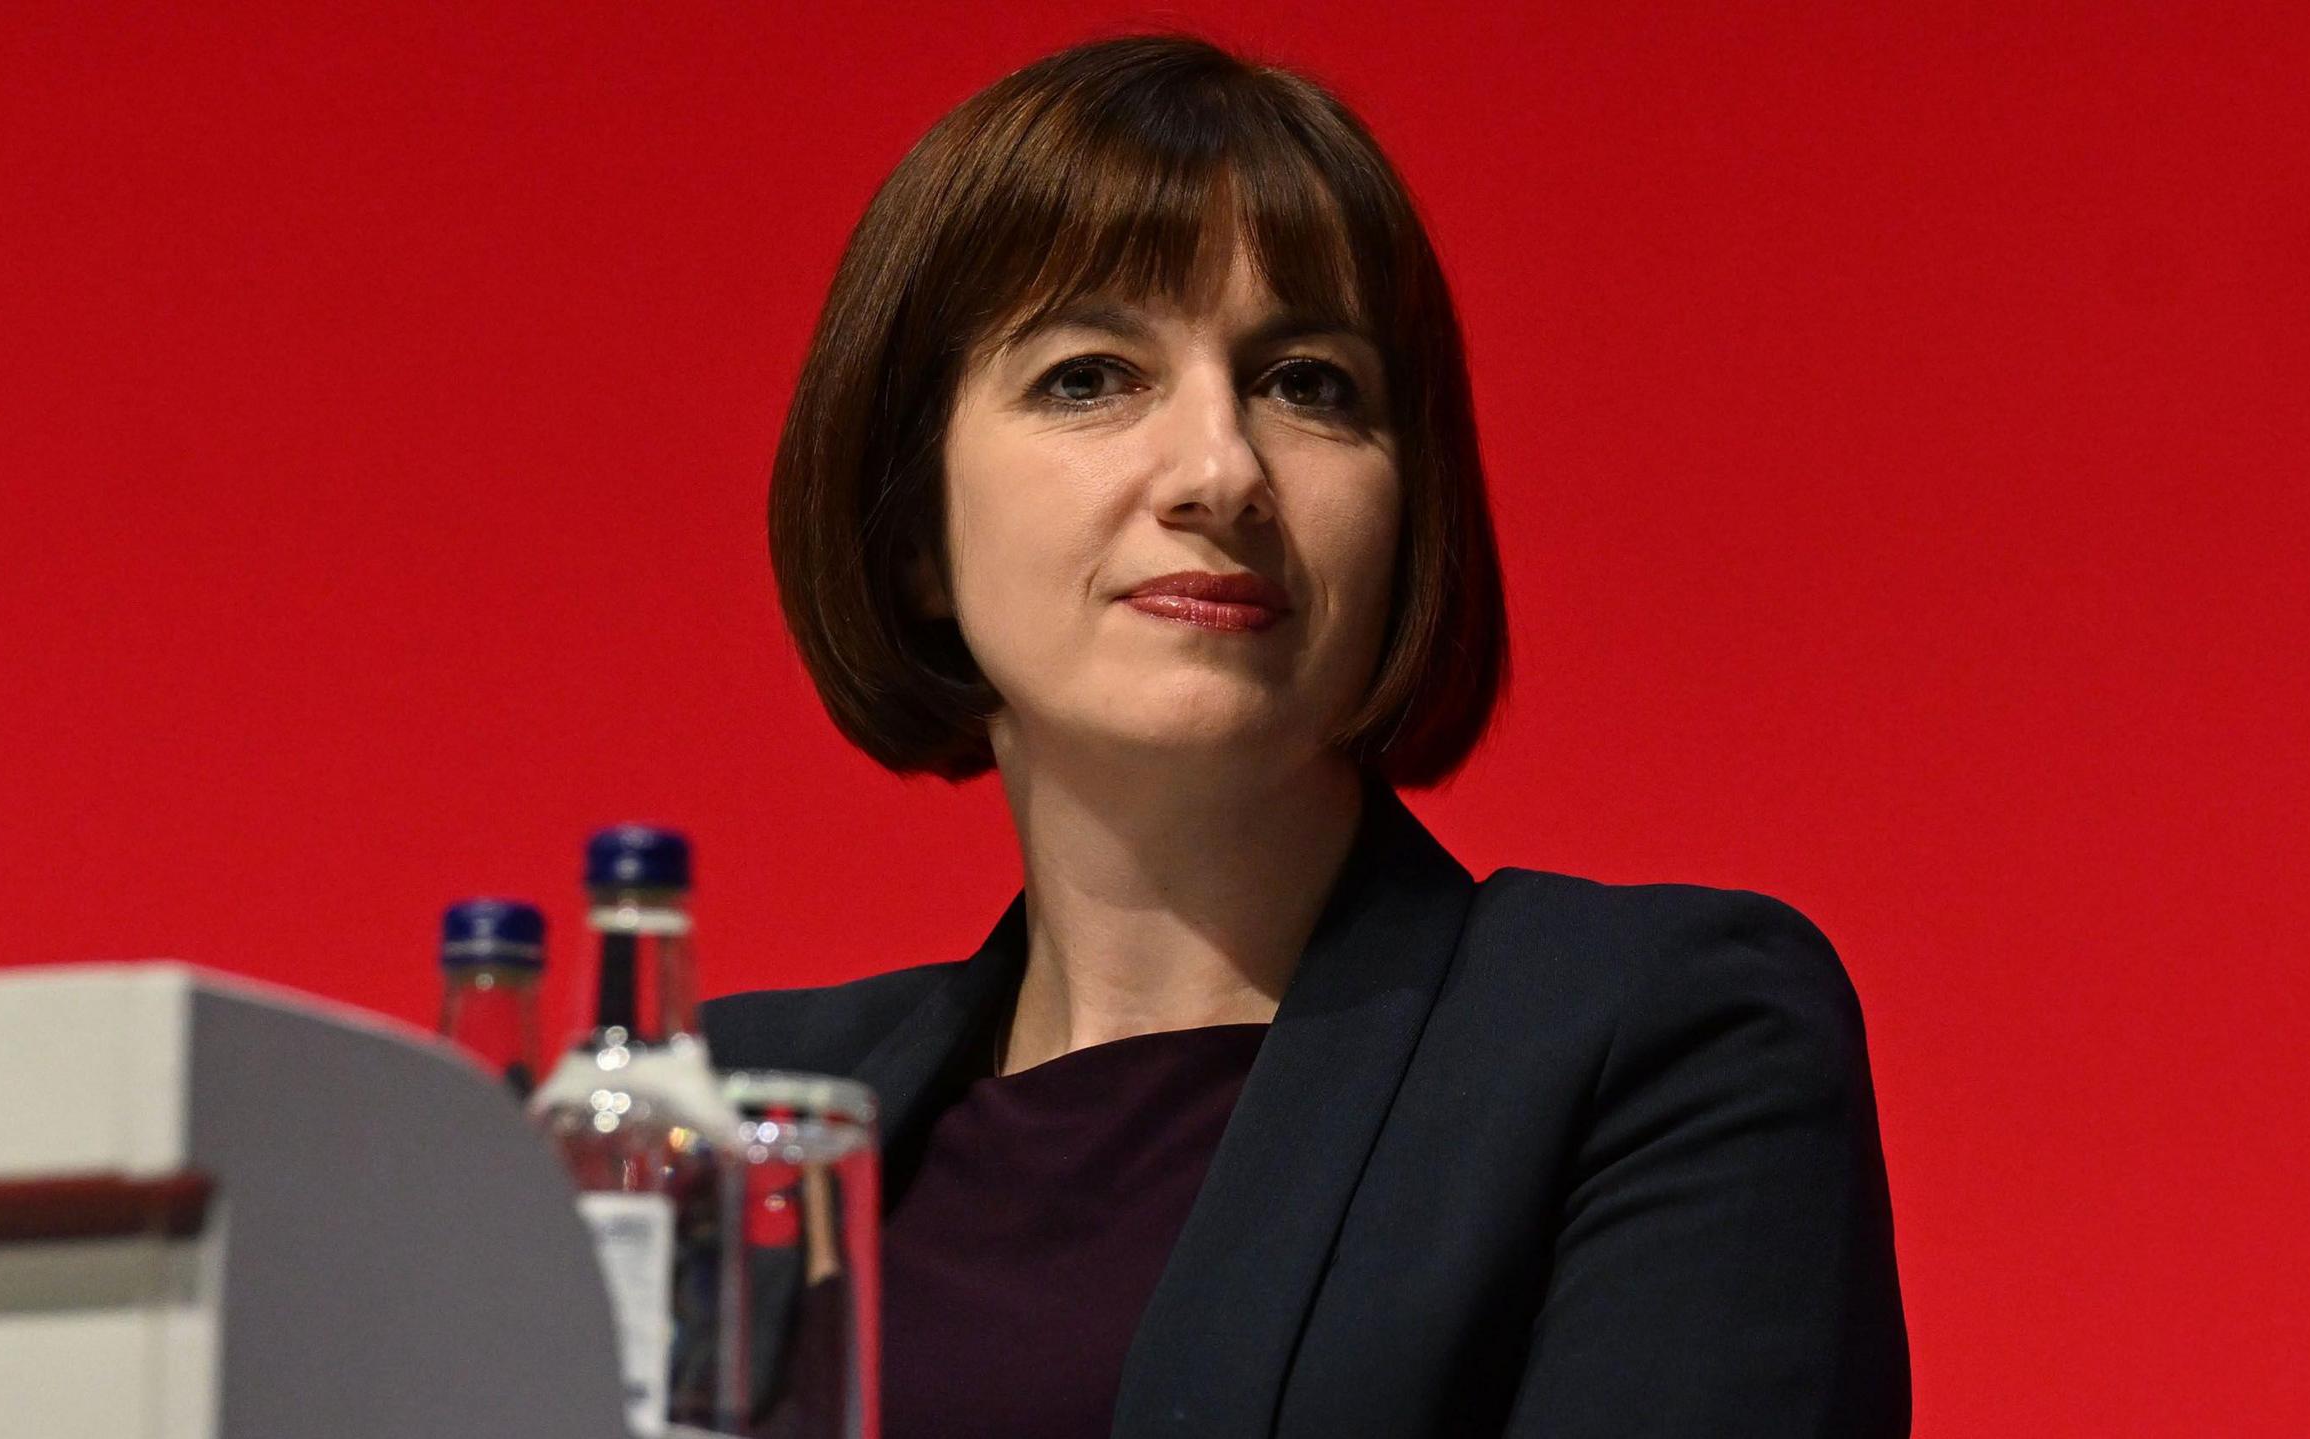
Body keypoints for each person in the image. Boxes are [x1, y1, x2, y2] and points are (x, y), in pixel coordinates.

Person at [704, 33, 1910, 1439]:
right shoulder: (727, 1118)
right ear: (915, 534)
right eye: (1092, 375)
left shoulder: (1655, 1039)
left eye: (1311, 384)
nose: (1221, 471)